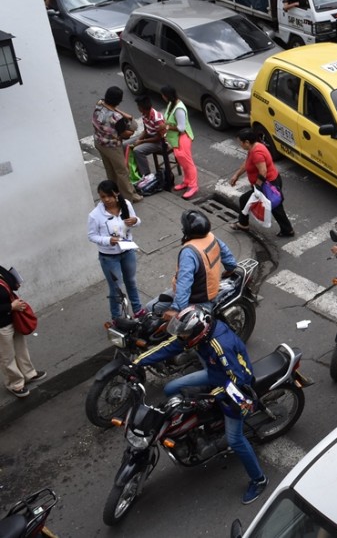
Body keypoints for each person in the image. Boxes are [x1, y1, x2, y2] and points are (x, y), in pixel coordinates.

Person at [132, 306, 268, 504]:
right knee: (171, 388)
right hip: (215, 372)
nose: (183, 338)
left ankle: (259, 480)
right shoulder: (197, 334)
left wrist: (211, 396)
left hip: (237, 387)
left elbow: (240, 381)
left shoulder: (221, 346)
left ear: (199, 331)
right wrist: (137, 362)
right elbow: (171, 345)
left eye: (186, 334)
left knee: (235, 439)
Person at [156, 210, 238, 320]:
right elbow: (227, 255)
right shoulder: (210, 236)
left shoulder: (189, 252)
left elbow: (184, 283)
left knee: (153, 310)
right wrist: (230, 269)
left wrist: (176, 309)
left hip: (196, 299)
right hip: (212, 291)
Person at [87, 180, 143, 320]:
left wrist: (135, 221)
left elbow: (136, 222)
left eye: (109, 196)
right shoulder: (95, 215)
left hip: (127, 251)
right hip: (109, 257)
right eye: (103, 197)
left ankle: (138, 310)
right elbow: (92, 236)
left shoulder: (126, 205)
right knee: (116, 288)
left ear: (116, 194)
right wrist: (108, 241)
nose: (106, 200)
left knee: (131, 281)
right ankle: (117, 317)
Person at [229, 128, 294, 238]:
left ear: (247, 142)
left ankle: (288, 230)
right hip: (267, 183)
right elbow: (248, 163)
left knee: (275, 207)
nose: (240, 144)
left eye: (240, 142)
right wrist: (237, 175)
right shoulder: (254, 147)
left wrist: (258, 188)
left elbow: (263, 172)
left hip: (268, 184)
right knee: (249, 201)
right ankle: (243, 224)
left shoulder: (257, 153)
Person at [0, 264, 45, 399]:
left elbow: (8, 279)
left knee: (21, 349)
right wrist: (10, 306)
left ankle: (29, 373)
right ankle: (15, 384)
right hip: (2, 324)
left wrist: (14, 284)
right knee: (7, 356)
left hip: (14, 318)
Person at [92, 86, 144, 203]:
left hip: (99, 142)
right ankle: (130, 196)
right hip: (112, 147)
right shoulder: (117, 118)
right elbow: (125, 135)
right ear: (118, 101)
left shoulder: (99, 104)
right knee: (122, 171)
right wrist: (130, 123)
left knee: (110, 170)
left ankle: (113, 192)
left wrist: (117, 110)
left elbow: (111, 109)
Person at [161, 85, 199, 199]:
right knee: (182, 161)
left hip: (183, 137)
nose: (162, 97)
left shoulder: (179, 109)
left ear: (167, 96)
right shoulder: (171, 104)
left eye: (163, 95)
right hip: (175, 139)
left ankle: (193, 185)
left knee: (187, 162)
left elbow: (181, 128)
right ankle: (186, 181)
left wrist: (166, 127)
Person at [131, 94, 166, 179]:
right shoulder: (144, 114)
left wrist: (141, 142)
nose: (138, 108)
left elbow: (159, 137)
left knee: (137, 150)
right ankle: (135, 171)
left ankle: (147, 176)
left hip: (159, 143)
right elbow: (146, 130)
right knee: (125, 145)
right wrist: (139, 139)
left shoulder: (157, 119)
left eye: (138, 106)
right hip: (149, 137)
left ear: (142, 107)